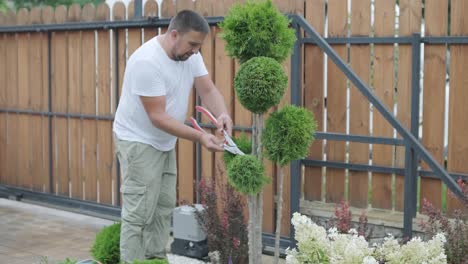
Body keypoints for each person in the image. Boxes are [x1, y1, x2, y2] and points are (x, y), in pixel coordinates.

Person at [112, 10, 232, 263]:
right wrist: (200, 138)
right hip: (138, 141)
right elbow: (158, 117)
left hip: (164, 141)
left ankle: (155, 259)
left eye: (199, 46)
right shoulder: (147, 61)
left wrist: (222, 114)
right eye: (192, 44)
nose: (195, 52)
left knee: (163, 208)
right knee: (139, 214)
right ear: (174, 34)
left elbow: (207, 89)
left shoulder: (190, 55)